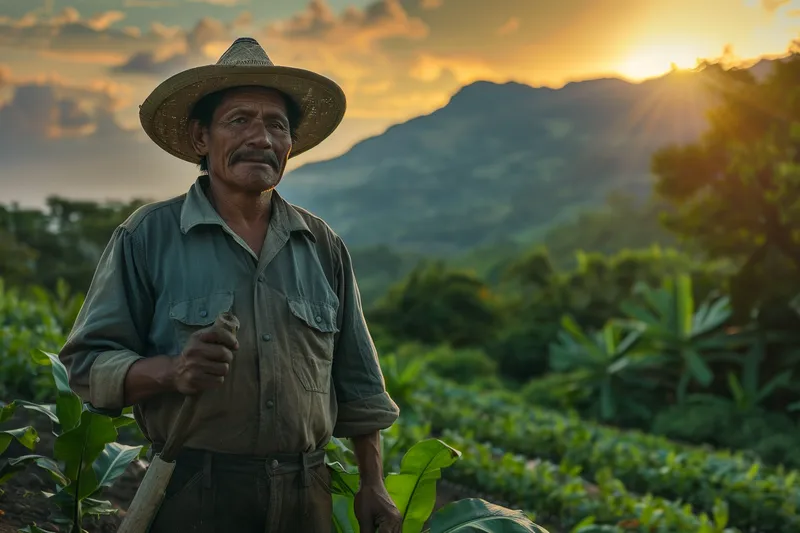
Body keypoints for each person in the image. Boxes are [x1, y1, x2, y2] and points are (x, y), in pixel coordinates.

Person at [58, 37, 402, 533]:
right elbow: (88, 366)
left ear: (290, 145)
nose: (261, 138)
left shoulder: (322, 245)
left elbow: (358, 383)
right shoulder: (148, 236)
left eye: (276, 125)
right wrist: (172, 370)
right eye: (240, 120)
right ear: (202, 138)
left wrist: (374, 483)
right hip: (194, 491)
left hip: (307, 498)